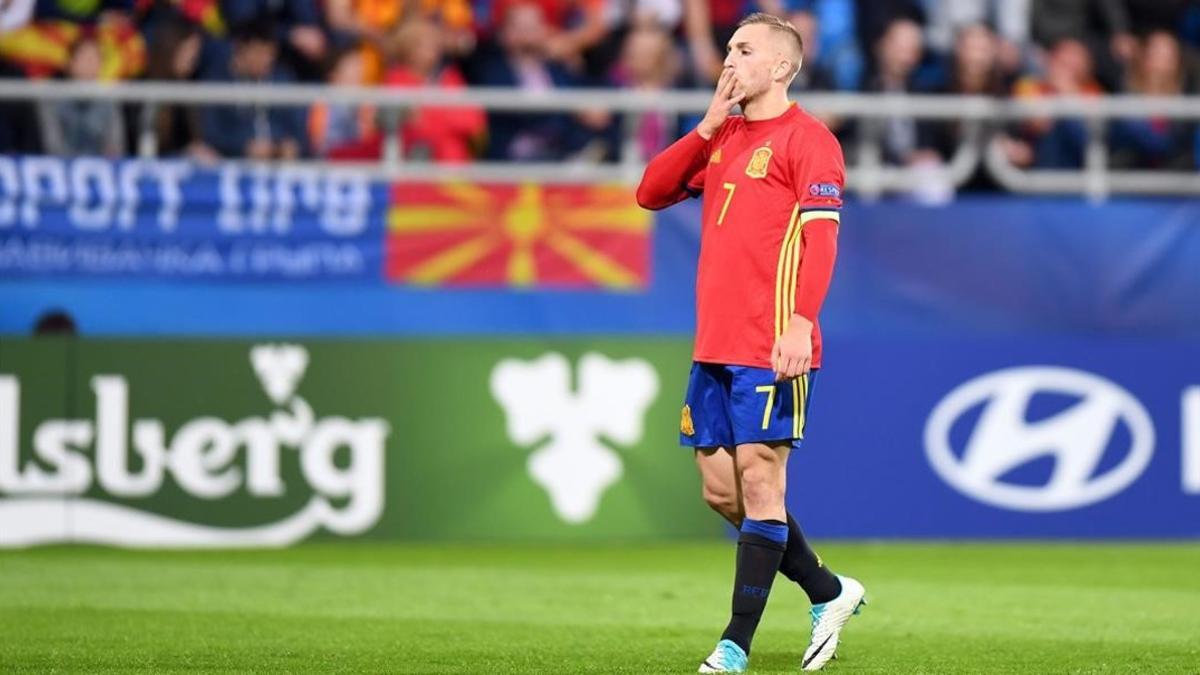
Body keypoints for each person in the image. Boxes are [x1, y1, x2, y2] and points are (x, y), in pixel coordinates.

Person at [636, 12, 865, 673]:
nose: (729, 59)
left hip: (772, 343)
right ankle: (827, 589)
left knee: (762, 482)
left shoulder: (810, 141)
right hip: (714, 342)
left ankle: (734, 644)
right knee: (721, 491)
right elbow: (650, 192)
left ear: (782, 67)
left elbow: (821, 239)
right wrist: (707, 123)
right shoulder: (723, 137)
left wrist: (799, 321)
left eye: (745, 49)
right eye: (729, 47)